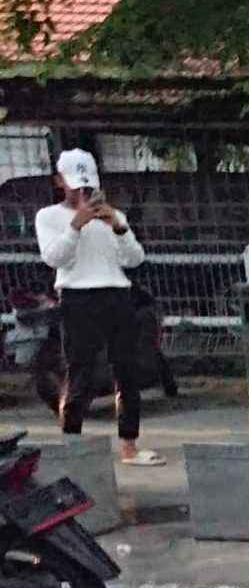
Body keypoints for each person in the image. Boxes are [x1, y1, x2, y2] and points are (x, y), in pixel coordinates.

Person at [35, 148, 161, 466]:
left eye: (87, 186)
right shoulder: (48, 217)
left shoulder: (114, 215)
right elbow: (54, 258)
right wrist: (75, 226)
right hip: (78, 297)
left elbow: (134, 259)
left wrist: (118, 228)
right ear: (59, 182)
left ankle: (129, 445)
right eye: (76, 185)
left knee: (127, 371)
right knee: (81, 373)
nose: (83, 192)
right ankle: (71, 445)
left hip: (117, 294)